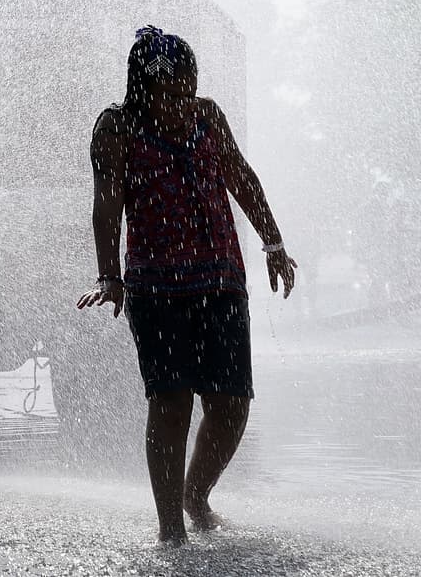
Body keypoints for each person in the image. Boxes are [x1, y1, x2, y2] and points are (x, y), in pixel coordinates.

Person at [77, 27, 297, 546]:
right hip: (155, 289)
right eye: (170, 91)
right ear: (141, 88)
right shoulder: (117, 129)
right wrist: (109, 275)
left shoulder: (208, 116)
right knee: (171, 403)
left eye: (188, 88)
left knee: (231, 405)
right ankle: (170, 527)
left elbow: (239, 176)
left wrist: (273, 243)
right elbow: (107, 205)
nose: (181, 102)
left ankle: (196, 496)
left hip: (221, 280)